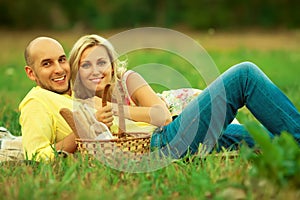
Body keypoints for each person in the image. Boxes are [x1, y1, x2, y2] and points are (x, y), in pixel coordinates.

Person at [68, 34, 300, 159]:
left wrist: (118, 110)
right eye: (86, 65)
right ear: (76, 70)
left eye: (101, 62)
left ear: (112, 65)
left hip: (180, 122)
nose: (96, 70)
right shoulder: (79, 102)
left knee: (271, 141)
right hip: (167, 141)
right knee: (244, 74)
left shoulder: (127, 80)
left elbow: (162, 116)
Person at [19, 36, 114, 161]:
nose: (59, 69)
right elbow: (36, 156)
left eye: (62, 60)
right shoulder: (36, 102)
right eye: (47, 64)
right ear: (31, 73)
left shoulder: (76, 91)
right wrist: (89, 126)